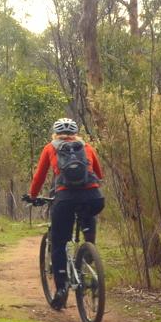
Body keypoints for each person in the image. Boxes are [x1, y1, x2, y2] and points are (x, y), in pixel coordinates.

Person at [26, 117, 104, 310]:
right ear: (76, 134)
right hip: (94, 198)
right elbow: (99, 175)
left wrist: (33, 195)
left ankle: (61, 288)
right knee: (88, 213)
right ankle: (89, 249)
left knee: (59, 241)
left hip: (65, 198)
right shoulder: (87, 147)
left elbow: (39, 176)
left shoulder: (50, 148)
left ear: (55, 133)